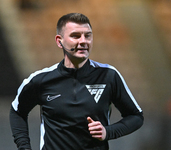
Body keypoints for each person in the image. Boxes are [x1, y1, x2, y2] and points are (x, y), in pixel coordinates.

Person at [10, 13, 144, 150]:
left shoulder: (108, 75)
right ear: (59, 41)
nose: (83, 41)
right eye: (75, 36)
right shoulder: (41, 80)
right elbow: (17, 111)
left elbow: (136, 116)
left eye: (88, 35)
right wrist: (24, 147)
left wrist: (107, 132)